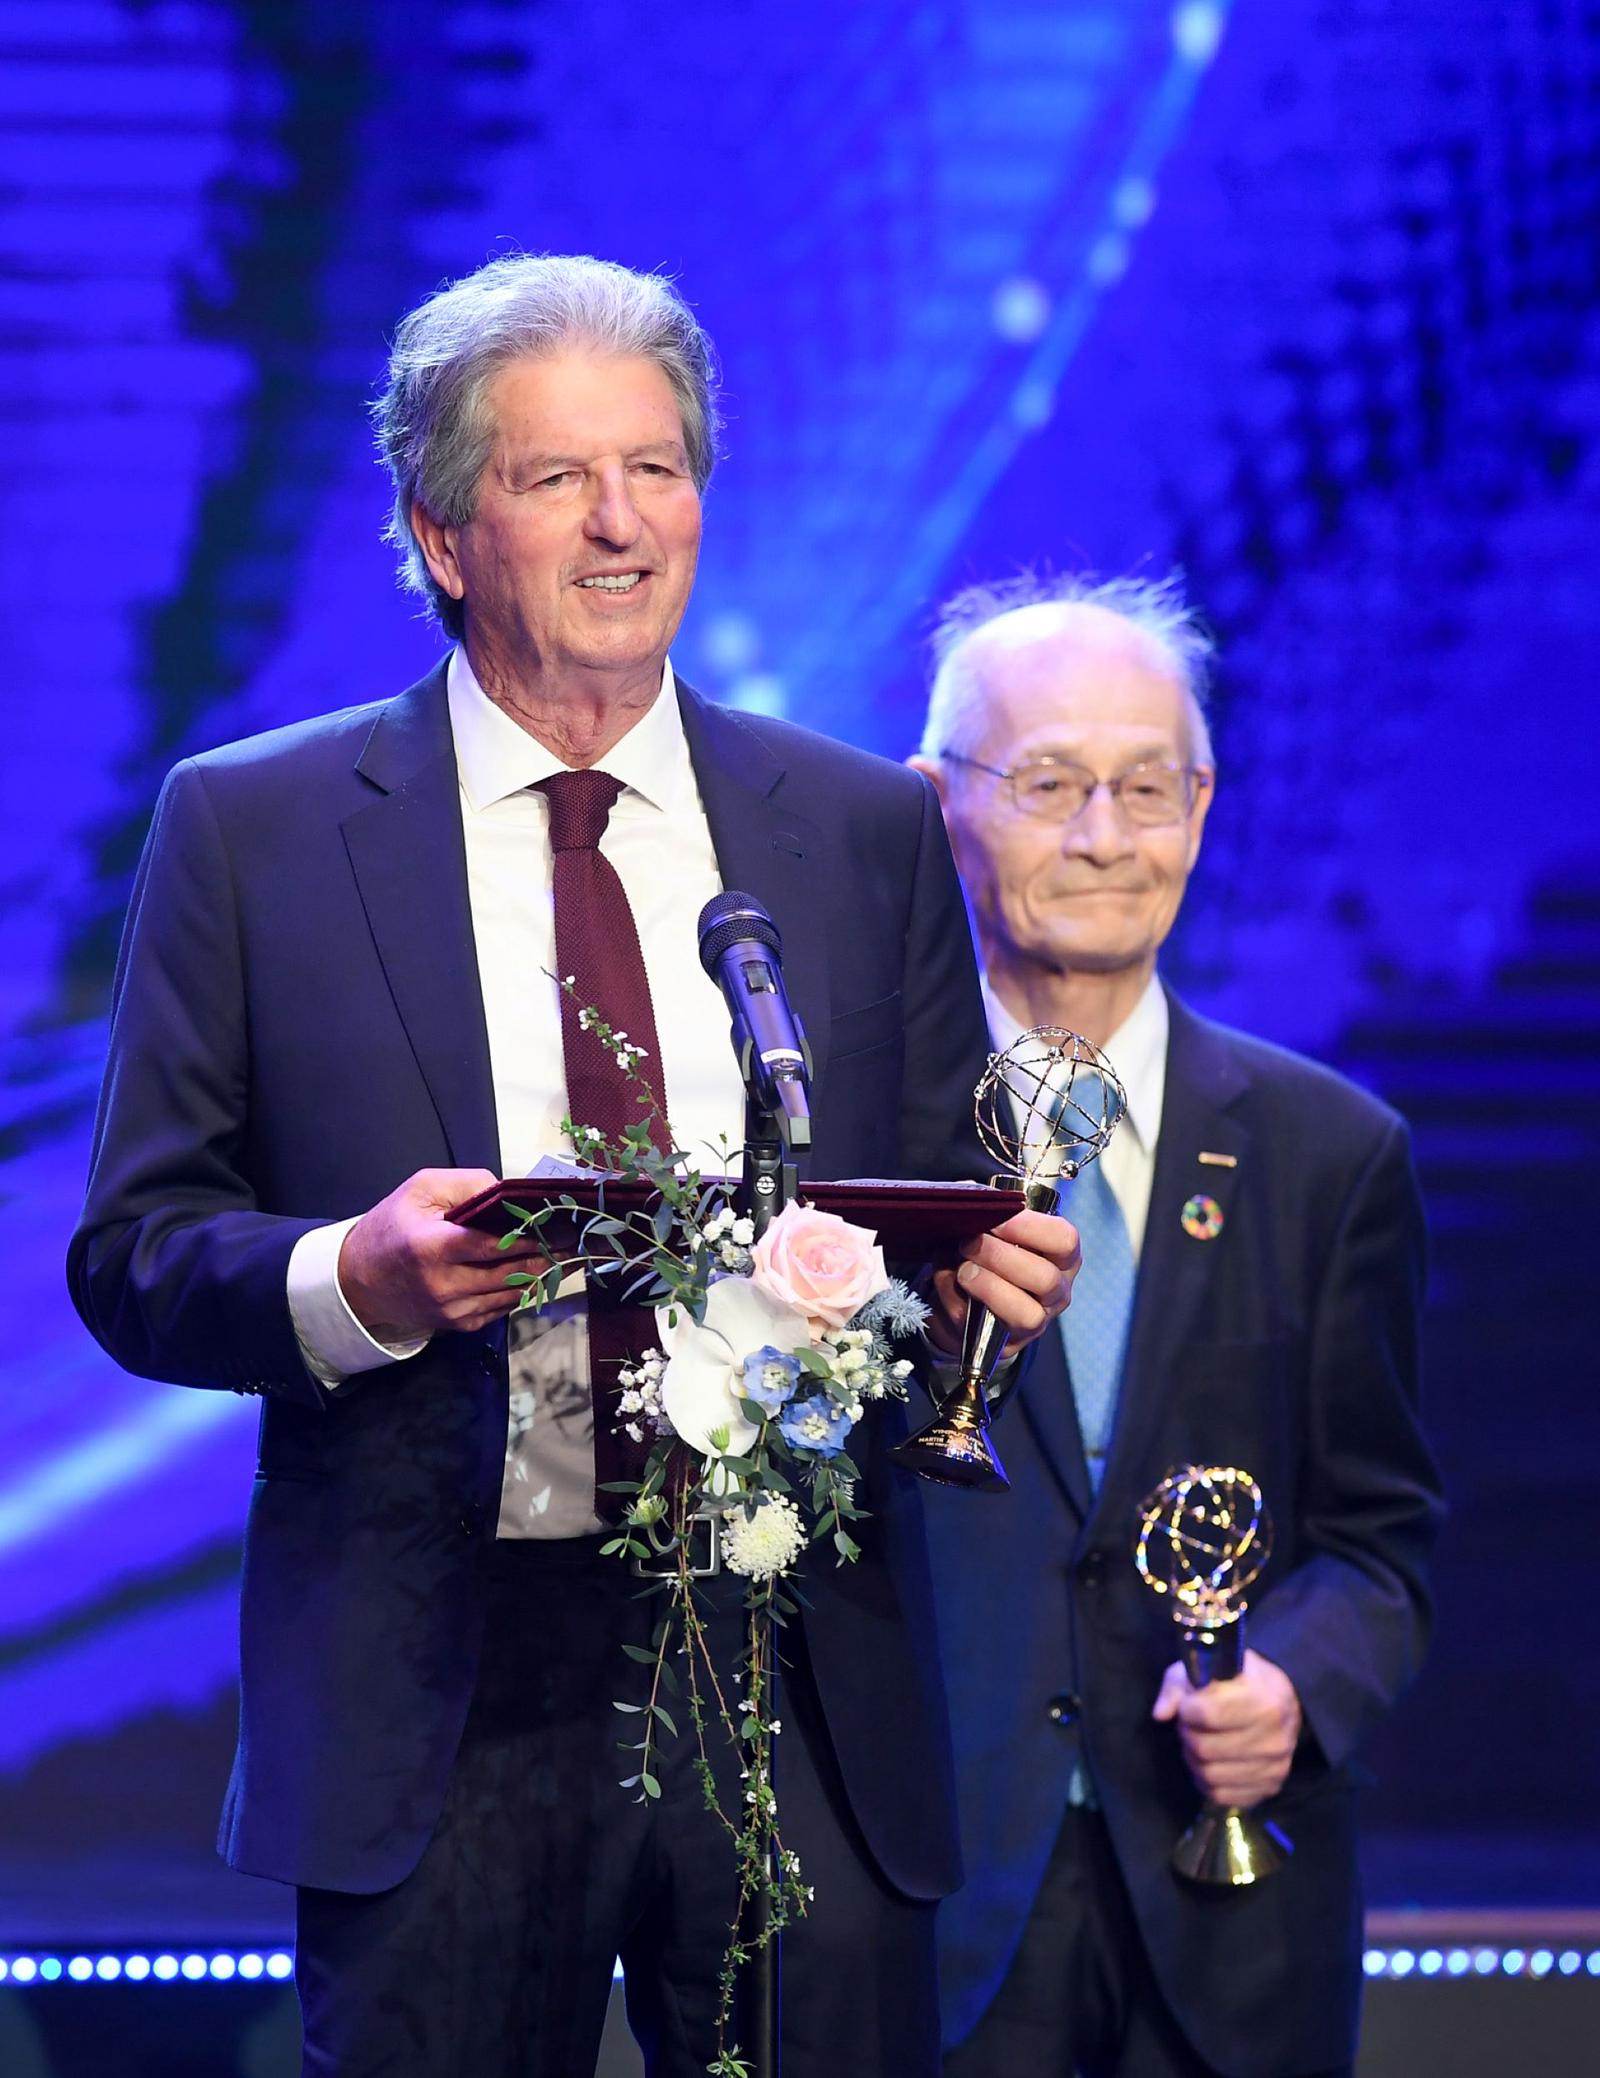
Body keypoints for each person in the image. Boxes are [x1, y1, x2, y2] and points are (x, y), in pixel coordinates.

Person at [67, 255, 1079, 2078]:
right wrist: (355, 1282)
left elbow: (938, 1217)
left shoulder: (861, 828)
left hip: (796, 1667)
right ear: (443, 534)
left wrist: (981, 1299)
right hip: (445, 1685)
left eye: (658, 468)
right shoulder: (255, 829)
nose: (624, 523)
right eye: (559, 478)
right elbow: (136, 1249)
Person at [910, 575, 1443, 2078]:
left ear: (1201, 809)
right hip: (927, 1909)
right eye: (1049, 783)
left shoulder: (1331, 1154)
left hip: (1230, 1923)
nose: (1105, 836)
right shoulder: (854, 1153)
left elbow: (1383, 1542)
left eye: (1147, 787)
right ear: (936, 804)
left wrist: (1299, 1684)